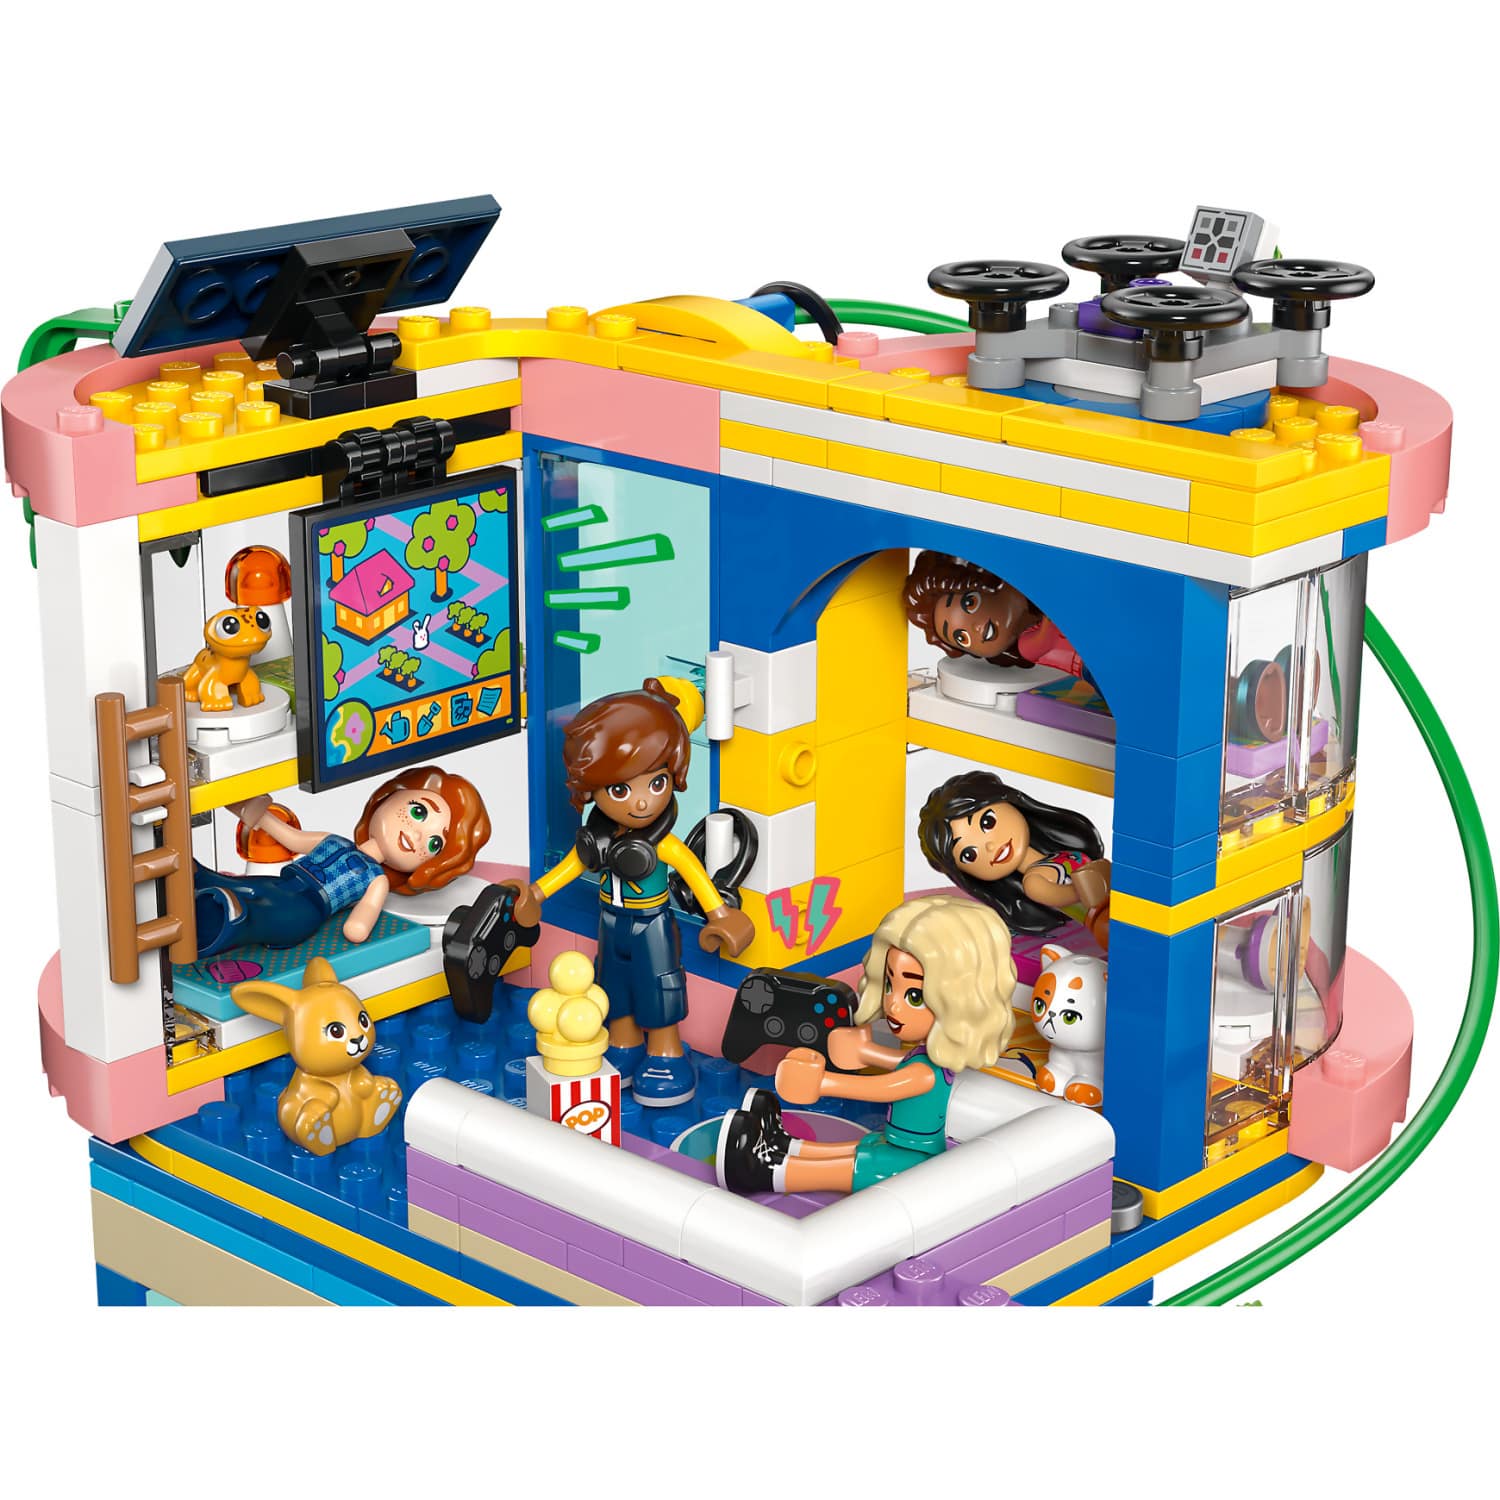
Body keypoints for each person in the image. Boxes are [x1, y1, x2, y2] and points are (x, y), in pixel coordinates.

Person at [504, 678, 754, 1107]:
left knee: (660, 987)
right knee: (612, 985)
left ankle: (666, 1052)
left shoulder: (663, 845)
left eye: (656, 784)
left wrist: (719, 914)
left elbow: (694, 874)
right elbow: (569, 868)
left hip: (652, 924)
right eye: (621, 790)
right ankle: (623, 1043)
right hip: (611, 922)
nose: (641, 803)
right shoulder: (598, 843)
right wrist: (536, 894)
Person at [716, 895, 1016, 1195]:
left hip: (911, 1162)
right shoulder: (928, 1059)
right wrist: (865, 1052)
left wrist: (822, 1083)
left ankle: (764, 1171)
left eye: (914, 996)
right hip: (898, 1144)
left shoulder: (925, 1074)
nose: (893, 1005)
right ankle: (786, 1146)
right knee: (861, 1148)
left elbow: (883, 1088)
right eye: (890, 985)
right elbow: (901, 1062)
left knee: (855, 1165)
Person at [193, 766, 490, 957]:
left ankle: (233, 918)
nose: (416, 835)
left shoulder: (377, 879)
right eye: (418, 812)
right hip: (283, 882)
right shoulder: (332, 839)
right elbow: (292, 838)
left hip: (308, 909)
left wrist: (358, 924)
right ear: (388, 798)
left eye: (434, 844)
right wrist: (251, 810)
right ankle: (201, 877)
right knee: (250, 886)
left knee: (269, 915)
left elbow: (358, 925)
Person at [916, 769, 1110, 944]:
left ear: (1009, 802)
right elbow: (1072, 895)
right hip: (1105, 921)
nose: (990, 846)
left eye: (987, 822)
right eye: (969, 854)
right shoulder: (1034, 882)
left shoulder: (1060, 854)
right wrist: (1088, 887)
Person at [903, 549, 1088, 679]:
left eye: (970, 603)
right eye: (962, 638)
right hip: (1088, 666)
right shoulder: (1026, 644)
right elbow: (1046, 638)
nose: (975, 627)